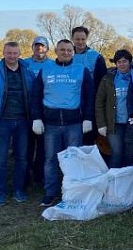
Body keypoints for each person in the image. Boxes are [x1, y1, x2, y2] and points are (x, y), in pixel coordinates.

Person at [31, 39, 95, 207]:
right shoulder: (46, 69)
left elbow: (90, 96)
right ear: (56, 51)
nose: (65, 52)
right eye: (62, 50)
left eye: (68, 50)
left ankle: (73, 192)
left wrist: (88, 118)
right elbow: (35, 95)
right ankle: (50, 193)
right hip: (50, 124)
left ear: (72, 52)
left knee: (74, 159)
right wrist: (36, 117)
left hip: (74, 123)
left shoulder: (81, 70)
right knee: (50, 159)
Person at [0, 41, 35, 207]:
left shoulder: (27, 70)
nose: (12, 56)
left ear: (19, 54)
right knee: (0, 158)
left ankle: (19, 190)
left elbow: (33, 93)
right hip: (2, 121)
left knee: (22, 157)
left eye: (15, 53)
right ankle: (0, 193)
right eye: (9, 53)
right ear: (3, 53)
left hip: (23, 121)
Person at [95, 49, 133, 168]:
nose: (122, 64)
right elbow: (99, 102)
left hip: (132, 123)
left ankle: (128, 178)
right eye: (119, 62)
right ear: (116, 64)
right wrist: (101, 124)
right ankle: (113, 178)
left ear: (130, 62)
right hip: (114, 124)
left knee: (130, 154)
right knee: (116, 153)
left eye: (124, 61)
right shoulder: (108, 79)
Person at [71, 26, 107, 147]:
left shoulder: (96, 57)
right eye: (77, 39)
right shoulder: (67, 55)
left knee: (88, 140)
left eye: (83, 39)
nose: (80, 42)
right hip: (71, 104)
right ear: (72, 39)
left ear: (86, 39)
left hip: (89, 104)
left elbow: (102, 84)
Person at [25, 36, 51, 187]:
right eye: (37, 46)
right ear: (33, 47)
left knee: (43, 146)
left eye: (42, 46)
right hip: (26, 110)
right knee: (27, 145)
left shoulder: (52, 65)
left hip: (45, 110)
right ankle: (25, 174)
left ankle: (39, 175)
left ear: (47, 48)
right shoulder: (25, 63)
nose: (39, 49)